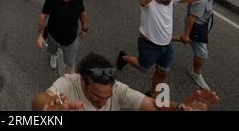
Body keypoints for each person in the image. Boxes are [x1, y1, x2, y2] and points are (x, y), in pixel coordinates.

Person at [116, 0, 216, 98]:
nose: (169, 0)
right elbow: (142, 1)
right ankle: (123, 57)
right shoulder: (149, 2)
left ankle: (153, 94)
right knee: (143, 68)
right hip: (149, 45)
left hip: (167, 46)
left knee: (162, 73)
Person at [32, 53, 219, 111]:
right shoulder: (68, 83)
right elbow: (39, 100)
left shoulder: (118, 89)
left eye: (108, 97)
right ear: (83, 80)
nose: (103, 103)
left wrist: (179, 108)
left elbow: (152, 105)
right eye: (96, 96)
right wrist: (49, 106)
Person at [175, 0, 226, 89]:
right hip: (197, 27)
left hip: (202, 25)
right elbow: (191, 18)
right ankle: (196, 73)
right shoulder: (202, 1)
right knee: (202, 53)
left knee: (189, 40)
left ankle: (165, 40)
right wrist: (186, 34)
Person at [37, 0, 88, 74]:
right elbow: (43, 16)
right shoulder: (51, 0)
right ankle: (53, 56)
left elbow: (83, 14)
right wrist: (40, 35)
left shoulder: (77, 0)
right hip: (53, 36)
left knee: (70, 63)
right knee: (52, 50)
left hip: (71, 39)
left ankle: (70, 80)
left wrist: (84, 29)